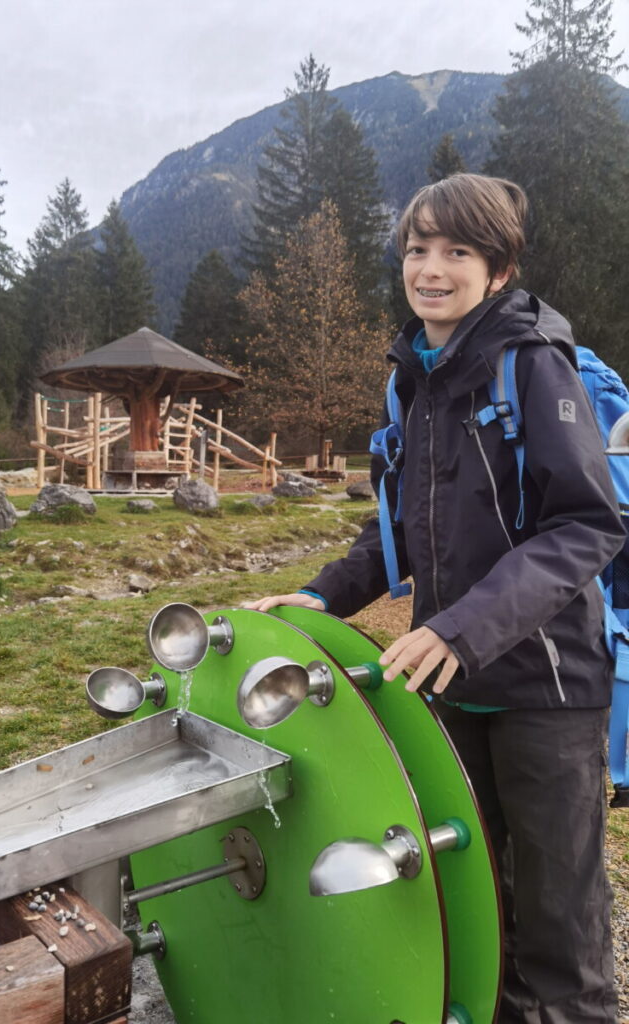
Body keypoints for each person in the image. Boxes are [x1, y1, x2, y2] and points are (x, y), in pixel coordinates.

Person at [245, 173, 624, 1023]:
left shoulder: (533, 367)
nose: (431, 267)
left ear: (498, 270)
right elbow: (397, 536)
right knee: (470, 903)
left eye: (458, 251)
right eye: (418, 249)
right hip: (450, 684)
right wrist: (317, 600)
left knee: (558, 925)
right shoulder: (414, 381)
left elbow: (588, 525)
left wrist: (461, 629)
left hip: (547, 689)